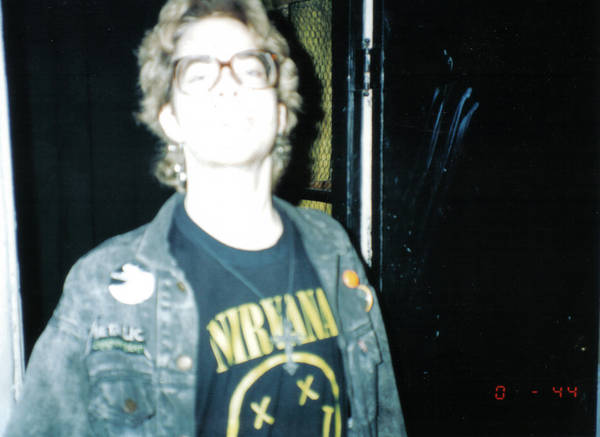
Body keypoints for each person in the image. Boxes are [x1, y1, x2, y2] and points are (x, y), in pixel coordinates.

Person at [4, 0, 407, 435]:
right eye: (198, 74)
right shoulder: (100, 288)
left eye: (250, 69)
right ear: (170, 119)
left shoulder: (333, 248)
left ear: (280, 112)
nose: (226, 87)